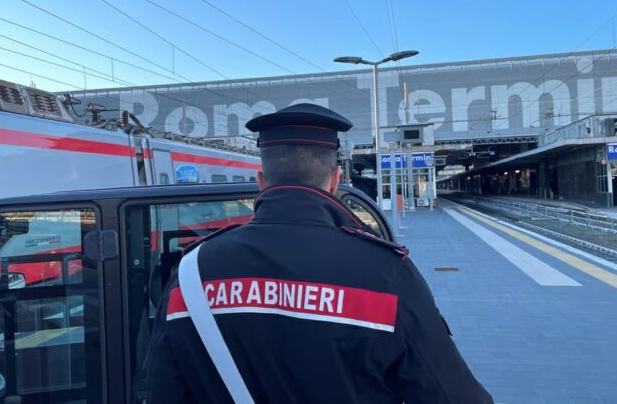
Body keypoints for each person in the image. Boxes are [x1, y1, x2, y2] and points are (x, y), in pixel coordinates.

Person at [145, 103, 493, 403]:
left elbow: (160, 391)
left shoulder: (192, 272)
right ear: (335, 179)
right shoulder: (386, 273)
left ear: (261, 181)